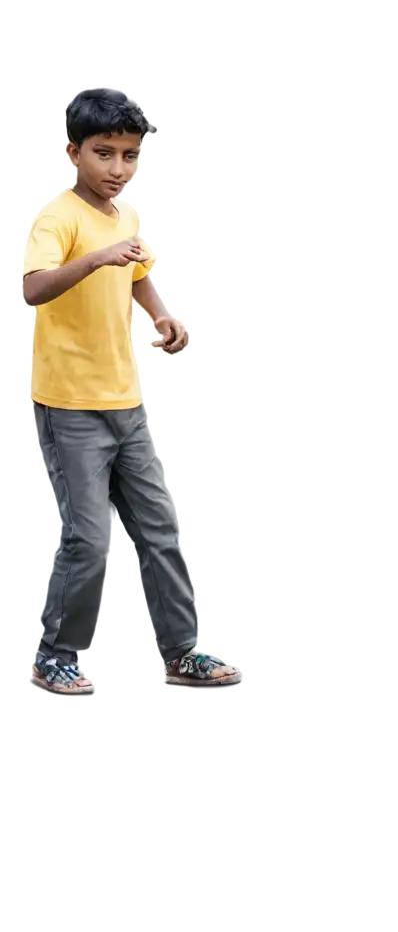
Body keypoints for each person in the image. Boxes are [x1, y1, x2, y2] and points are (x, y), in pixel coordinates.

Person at [19, 85, 246, 695]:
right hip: (70, 409)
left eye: (128, 155)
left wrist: (163, 318)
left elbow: (140, 277)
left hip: (126, 404)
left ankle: (183, 652)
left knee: (160, 533)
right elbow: (31, 288)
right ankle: (53, 655)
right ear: (72, 152)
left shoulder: (128, 218)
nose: (118, 169)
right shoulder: (56, 217)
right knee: (88, 543)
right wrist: (96, 258)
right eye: (104, 153)